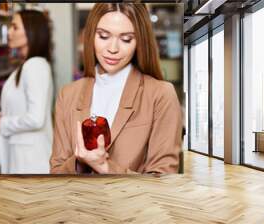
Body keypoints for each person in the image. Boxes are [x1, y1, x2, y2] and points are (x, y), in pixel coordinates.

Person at [50, 3, 182, 174]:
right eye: (103, 36)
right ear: (91, 36)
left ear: (139, 42)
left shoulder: (161, 94)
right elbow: (55, 173)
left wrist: (104, 166)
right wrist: (79, 162)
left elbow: (163, 182)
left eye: (126, 39)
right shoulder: (68, 95)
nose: (113, 49)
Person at [0, 10, 53, 174]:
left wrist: (1, 123)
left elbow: (36, 119)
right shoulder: (28, 65)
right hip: (25, 158)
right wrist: (2, 115)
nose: (9, 32)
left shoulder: (34, 66)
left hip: (30, 161)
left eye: (15, 27)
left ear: (31, 32)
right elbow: (24, 108)